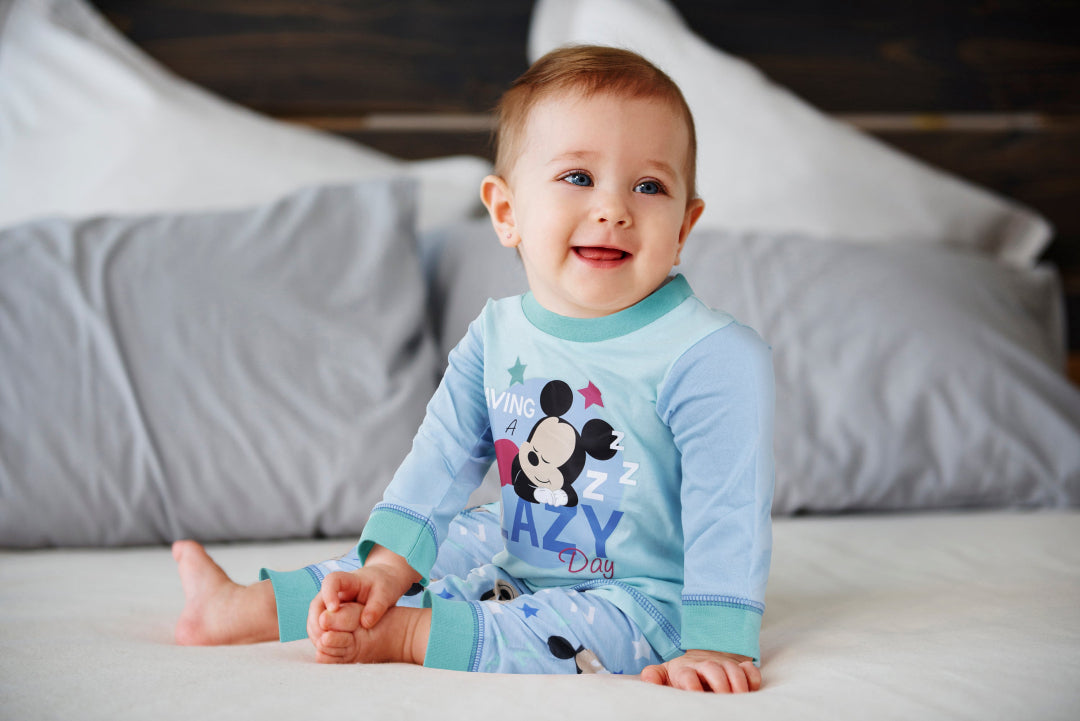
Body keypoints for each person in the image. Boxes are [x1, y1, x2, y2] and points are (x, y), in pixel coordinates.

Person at [172, 45, 774, 694]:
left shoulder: (713, 355)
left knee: (573, 627)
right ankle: (248, 609)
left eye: (648, 186)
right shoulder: (496, 334)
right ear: (507, 212)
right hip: (520, 543)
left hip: (645, 593)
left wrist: (716, 644)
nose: (614, 209)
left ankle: (404, 635)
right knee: (430, 544)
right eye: (578, 177)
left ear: (685, 225)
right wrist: (387, 569)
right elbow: (438, 464)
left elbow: (728, 511)